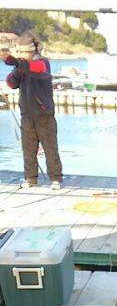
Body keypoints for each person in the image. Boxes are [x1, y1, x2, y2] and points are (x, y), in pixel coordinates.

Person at [1, 32, 63, 190]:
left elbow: (35, 69)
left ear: (32, 51)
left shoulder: (43, 63)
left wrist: (16, 62)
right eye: (19, 52)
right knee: (28, 149)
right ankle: (30, 178)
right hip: (26, 115)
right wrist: (16, 67)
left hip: (44, 115)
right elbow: (11, 83)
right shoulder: (22, 66)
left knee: (50, 148)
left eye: (23, 52)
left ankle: (55, 179)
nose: (21, 55)